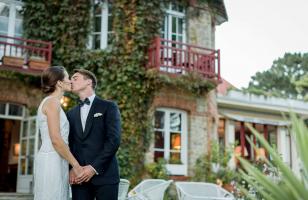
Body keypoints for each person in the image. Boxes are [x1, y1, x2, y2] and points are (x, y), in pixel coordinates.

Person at [67, 69, 121, 200]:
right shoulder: (70, 113)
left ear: (88, 82)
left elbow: (113, 141)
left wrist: (93, 168)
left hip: (106, 176)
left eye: (75, 78)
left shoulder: (108, 107)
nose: (70, 81)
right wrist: (73, 168)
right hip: (79, 179)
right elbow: (70, 144)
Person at [34, 66, 84, 200]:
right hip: (51, 160)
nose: (70, 81)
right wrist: (76, 166)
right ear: (59, 83)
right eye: (68, 77)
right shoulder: (52, 103)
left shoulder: (53, 103)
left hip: (58, 159)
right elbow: (56, 139)